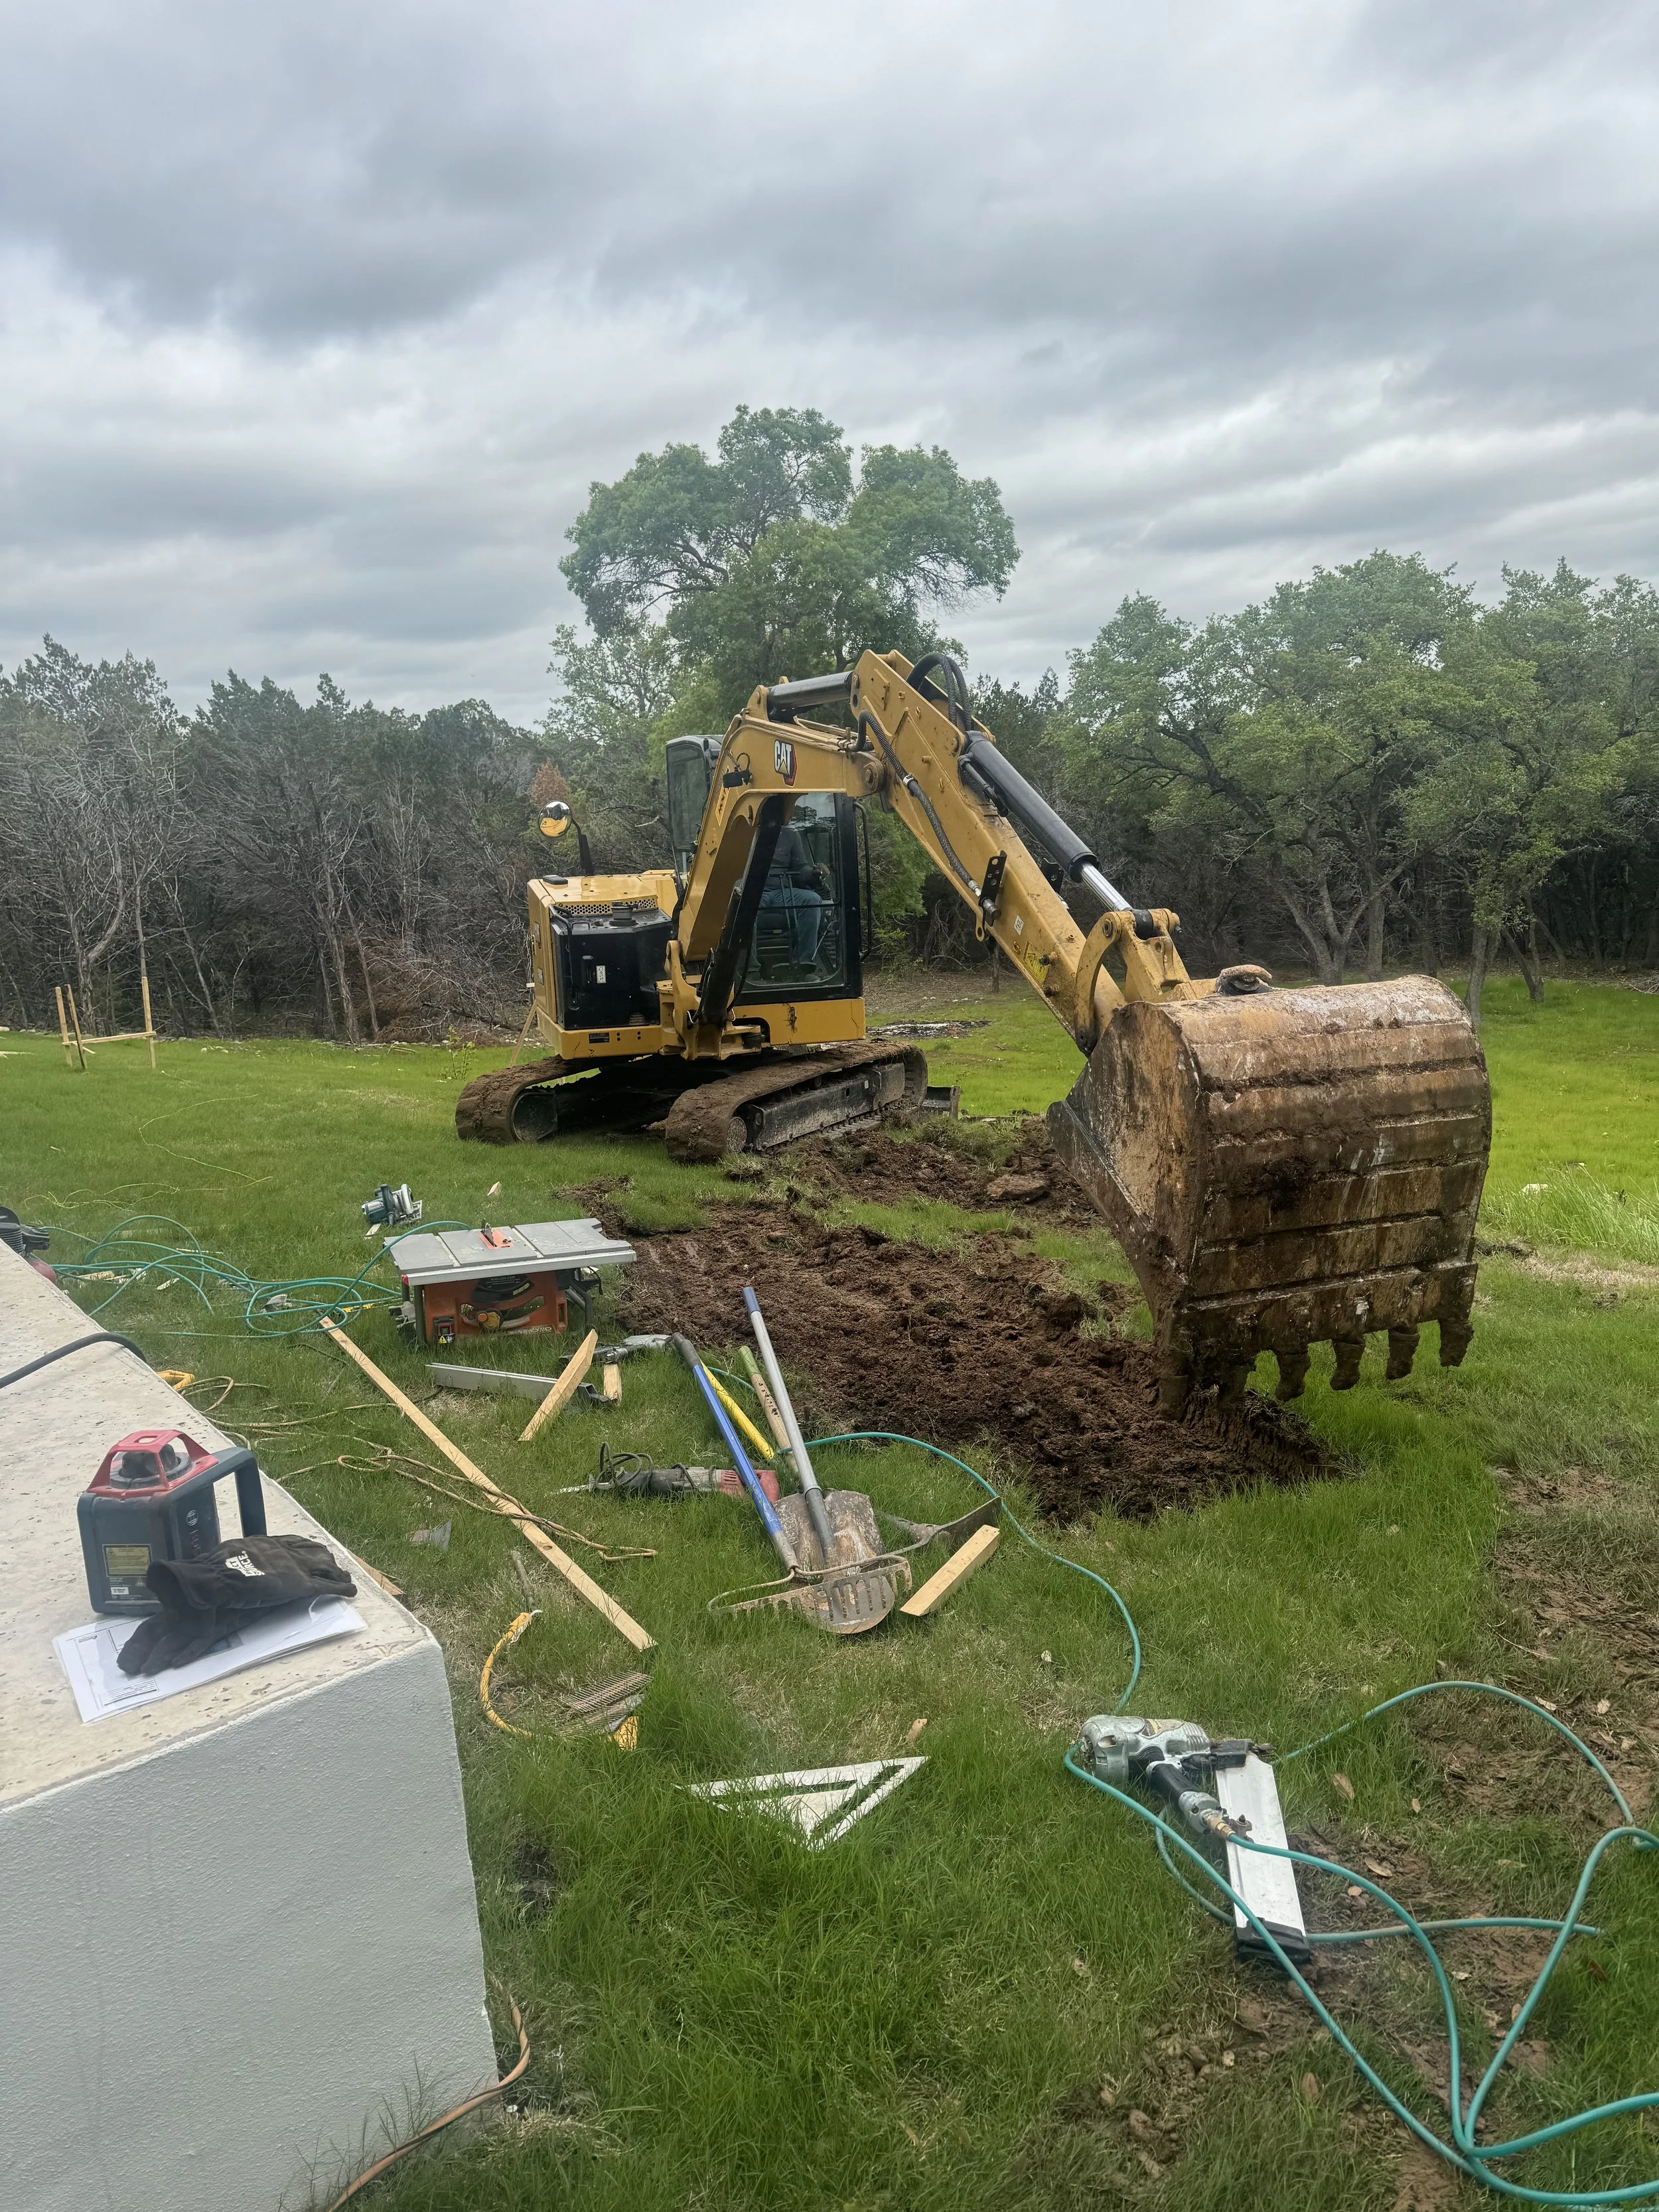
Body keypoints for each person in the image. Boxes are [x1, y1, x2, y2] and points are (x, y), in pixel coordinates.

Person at [758, 820, 830, 971]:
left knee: (812, 900)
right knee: (743, 904)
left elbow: (800, 868)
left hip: (782, 893)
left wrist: (814, 874)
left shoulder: (790, 835)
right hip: (753, 892)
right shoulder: (742, 834)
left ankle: (804, 964)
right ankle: (751, 968)